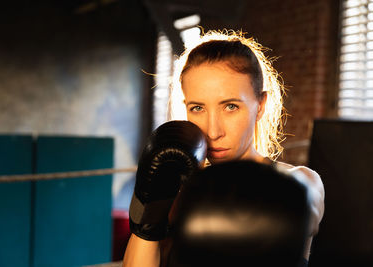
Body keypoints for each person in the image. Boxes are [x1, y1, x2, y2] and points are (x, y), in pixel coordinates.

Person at [123, 29, 325, 267]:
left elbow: (305, 205)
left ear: (260, 105)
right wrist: (149, 216)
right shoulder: (176, 189)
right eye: (198, 108)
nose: (213, 131)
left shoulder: (300, 181)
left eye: (230, 106)